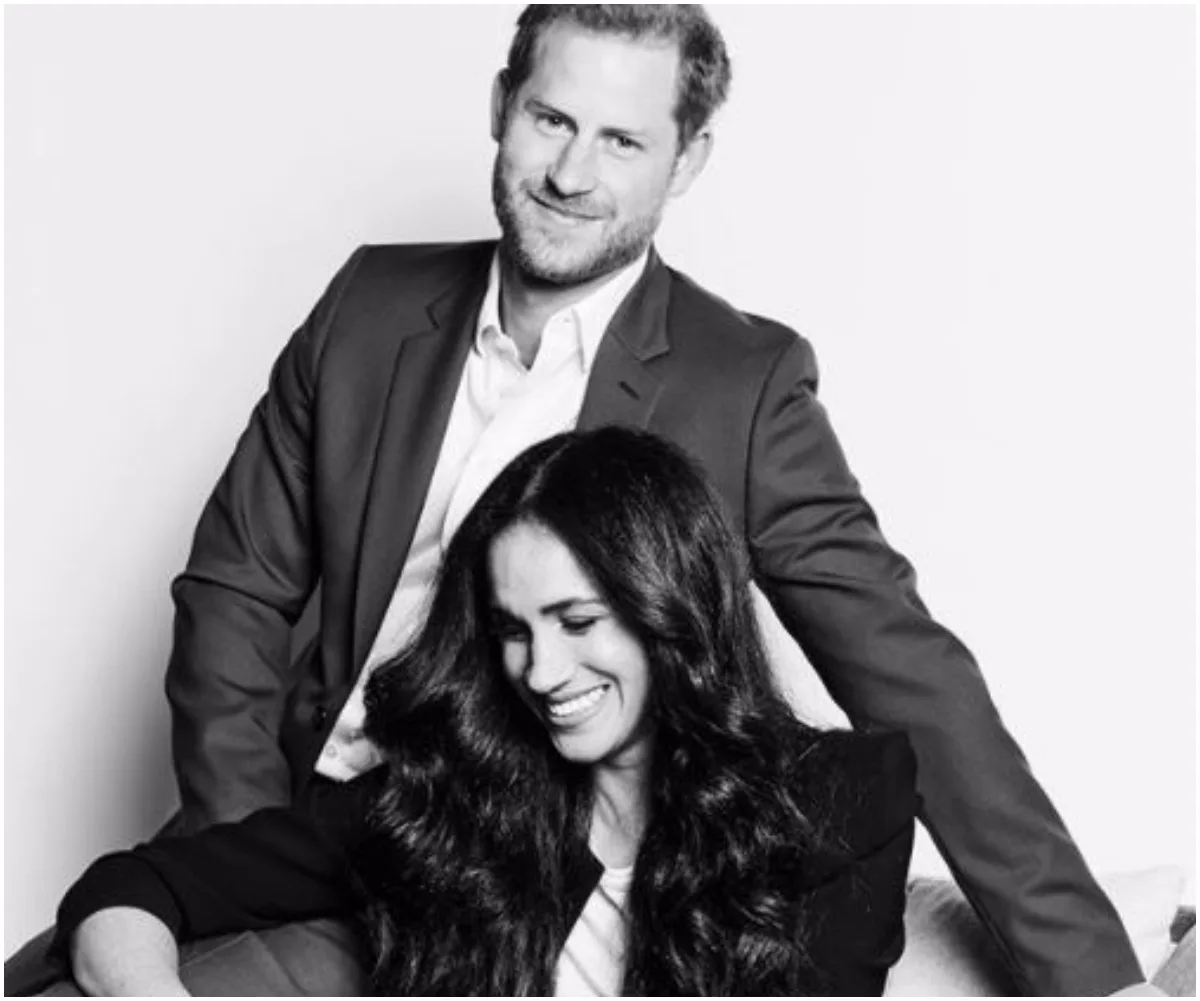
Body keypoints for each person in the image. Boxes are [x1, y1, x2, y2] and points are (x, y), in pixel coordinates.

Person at [4, 4, 1155, 997]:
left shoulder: (740, 382)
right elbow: (234, 592)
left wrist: (1097, 978)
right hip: (317, 825)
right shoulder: (367, 304)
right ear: (502, 103)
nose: (571, 172)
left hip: (513, 870)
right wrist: (239, 841)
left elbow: (910, 670)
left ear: (686, 160)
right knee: (67, 961)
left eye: (622, 139)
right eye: (551, 119)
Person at [52, 427, 919, 996]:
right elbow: (135, 886)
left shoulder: (845, 800)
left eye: (578, 621)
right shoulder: (444, 808)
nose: (541, 670)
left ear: (673, 610)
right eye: (512, 629)